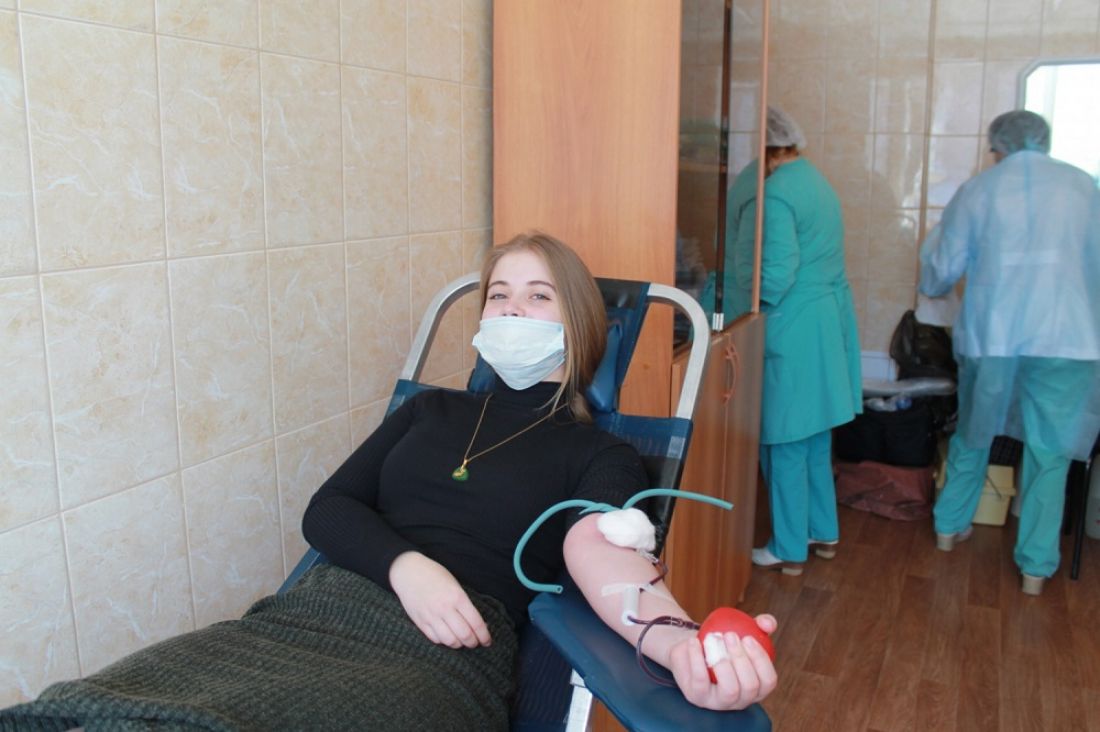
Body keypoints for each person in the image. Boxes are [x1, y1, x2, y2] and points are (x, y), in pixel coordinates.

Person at [0, 233, 778, 730]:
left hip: (438, 656)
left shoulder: (597, 454)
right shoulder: (430, 411)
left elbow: (605, 555)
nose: (512, 310)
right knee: (107, 711)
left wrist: (679, 645)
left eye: (538, 297)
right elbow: (329, 508)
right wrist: (409, 567)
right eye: (498, 295)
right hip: (312, 617)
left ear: (579, 324)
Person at [920, 110, 1100, 596]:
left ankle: (949, 527)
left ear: (996, 147)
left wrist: (935, 284)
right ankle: (1035, 568)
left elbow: (941, 268)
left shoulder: (979, 190)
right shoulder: (1084, 187)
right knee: (1050, 451)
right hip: (1069, 339)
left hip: (993, 337)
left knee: (975, 434)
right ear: (1045, 141)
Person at [739, 108, 863, 576]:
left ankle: (789, 548)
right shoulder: (817, 182)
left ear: (765, 148)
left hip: (793, 325)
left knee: (785, 441)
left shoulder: (777, 194)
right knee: (813, 440)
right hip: (826, 323)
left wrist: (746, 308)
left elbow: (777, 271)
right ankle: (822, 530)